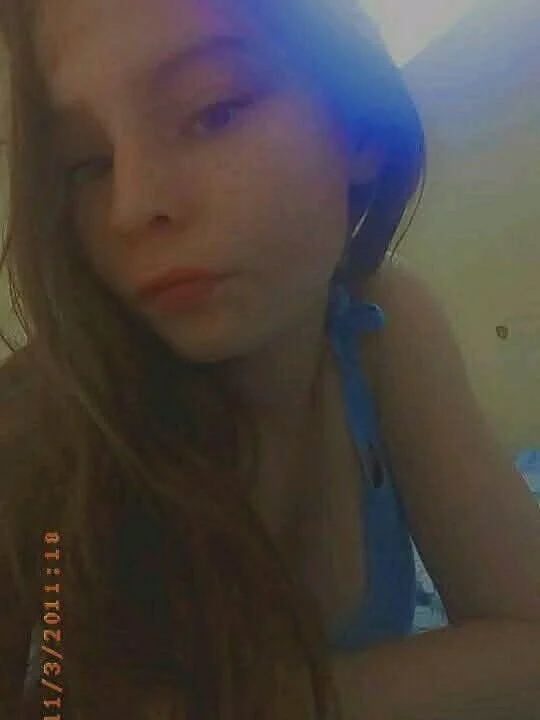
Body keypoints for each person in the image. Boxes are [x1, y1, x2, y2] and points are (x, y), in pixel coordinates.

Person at [2, 0, 540, 719]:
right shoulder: (41, 434)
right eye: (85, 165)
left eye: (214, 110)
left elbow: (527, 640)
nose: (133, 206)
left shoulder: (377, 324)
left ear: (355, 125)